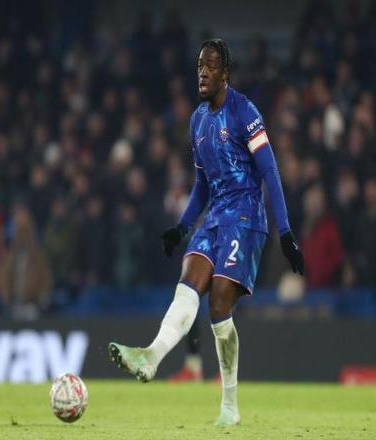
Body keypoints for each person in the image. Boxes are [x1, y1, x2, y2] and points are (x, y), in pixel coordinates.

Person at [108, 39, 304, 427]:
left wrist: (285, 231)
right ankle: (150, 356)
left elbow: (270, 171)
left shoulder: (245, 112)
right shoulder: (197, 120)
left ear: (225, 73)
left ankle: (230, 405)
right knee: (187, 284)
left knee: (218, 304)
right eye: (200, 65)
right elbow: (201, 184)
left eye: (211, 66)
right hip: (213, 218)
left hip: (245, 219)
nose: (203, 72)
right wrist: (182, 226)